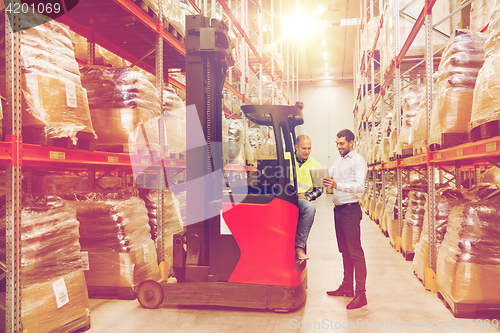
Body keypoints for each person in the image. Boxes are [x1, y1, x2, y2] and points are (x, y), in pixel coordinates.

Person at [323, 129, 368, 310]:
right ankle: (347, 287)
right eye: (337, 143)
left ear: (351, 142)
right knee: (345, 251)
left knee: (356, 253)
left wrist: (337, 185)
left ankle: (361, 294)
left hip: (350, 211)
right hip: (339, 211)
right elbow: (330, 174)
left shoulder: (358, 161)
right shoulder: (339, 161)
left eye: (341, 143)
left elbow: (360, 187)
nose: (338, 147)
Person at [293, 135, 323, 261]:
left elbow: (320, 189)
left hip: (301, 200)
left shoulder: (316, 165)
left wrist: (306, 196)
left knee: (310, 208)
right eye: (304, 148)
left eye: (309, 148)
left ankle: (299, 246)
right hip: (283, 196)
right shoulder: (285, 159)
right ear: (296, 147)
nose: (307, 151)